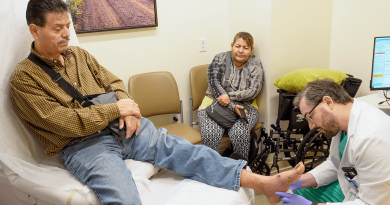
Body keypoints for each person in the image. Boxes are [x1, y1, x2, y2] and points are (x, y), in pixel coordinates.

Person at [10, 1, 304, 204]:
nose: (66, 33)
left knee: (187, 153)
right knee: (123, 196)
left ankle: (264, 183)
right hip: (83, 145)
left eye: (68, 26)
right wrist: (117, 108)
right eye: (57, 28)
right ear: (35, 30)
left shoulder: (80, 56)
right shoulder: (24, 78)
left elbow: (114, 84)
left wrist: (128, 108)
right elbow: (61, 121)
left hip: (124, 127)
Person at [275, 78, 390, 205]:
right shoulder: (342, 122)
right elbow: (336, 164)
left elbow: (371, 203)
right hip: (352, 185)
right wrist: (300, 181)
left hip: (375, 198)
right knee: (298, 192)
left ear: (328, 102)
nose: (311, 126)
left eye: (310, 116)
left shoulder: (372, 140)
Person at [197, 32, 264, 160]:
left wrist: (229, 96)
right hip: (213, 104)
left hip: (247, 105)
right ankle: (214, 172)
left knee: (240, 133)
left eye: (245, 48)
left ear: (251, 50)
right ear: (232, 46)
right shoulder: (220, 58)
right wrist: (233, 105)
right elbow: (214, 83)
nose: (241, 51)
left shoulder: (255, 64)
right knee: (211, 136)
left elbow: (253, 90)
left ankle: (241, 172)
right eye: (238, 46)